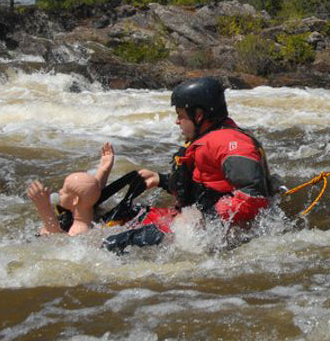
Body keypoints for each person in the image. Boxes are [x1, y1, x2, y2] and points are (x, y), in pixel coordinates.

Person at [103, 77, 276, 253]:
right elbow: (203, 184)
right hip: (190, 218)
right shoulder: (210, 138)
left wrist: (208, 218)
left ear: (199, 115)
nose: (177, 121)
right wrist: (161, 180)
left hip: (203, 228)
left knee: (111, 245)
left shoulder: (229, 142)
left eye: (181, 116)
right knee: (124, 216)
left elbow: (253, 196)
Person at [27, 143, 115, 236]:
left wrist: (45, 209)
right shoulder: (88, 211)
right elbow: (91, 193)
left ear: (75, 200)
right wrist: (103, 170)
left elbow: (56, 239)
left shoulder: (79, 229)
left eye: (65, 191)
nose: (60, 191)